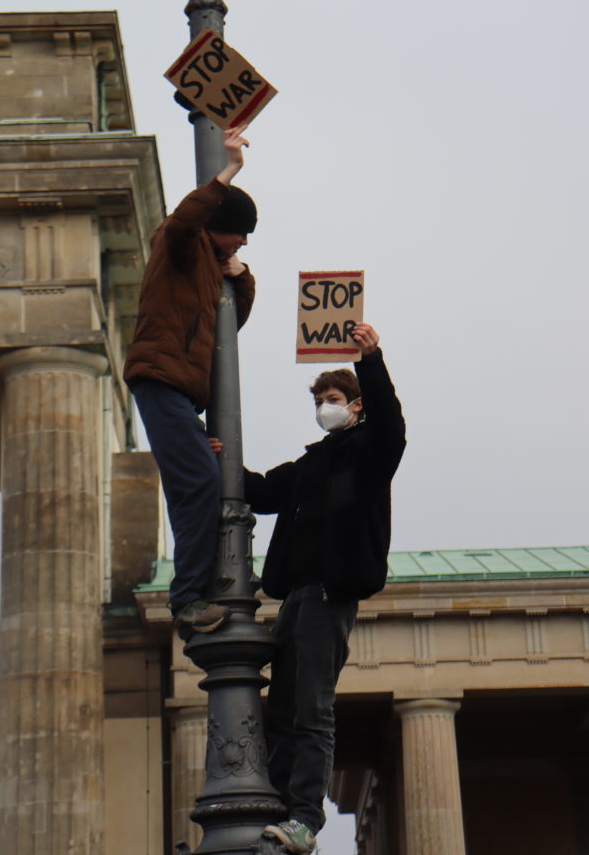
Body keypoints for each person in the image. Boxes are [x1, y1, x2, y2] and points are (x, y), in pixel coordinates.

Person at [242, 324, 406, 854]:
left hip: (330, 596)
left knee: (310, 709)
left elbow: (391, 427)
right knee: (284, 711)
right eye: (319, 400)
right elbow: (263, 491)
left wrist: (371, 359)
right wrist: (212, 452)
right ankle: (282, 807)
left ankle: (304, 820)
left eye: (333, 399)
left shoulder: (369, 453)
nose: (324, 407)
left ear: (356, 406)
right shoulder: (313, 463)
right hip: (296, 597)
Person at [124, 124, 256, 637]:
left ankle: (196, 591)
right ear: (218, 223)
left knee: (202, 474)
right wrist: (228, 171)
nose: (244, 241)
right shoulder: (179, 243)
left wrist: (241, 276)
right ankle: (188, 603)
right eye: (241, 230)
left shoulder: (210, 268)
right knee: (199, 484)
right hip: (161, 380)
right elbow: (184, 220)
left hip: (179, 392)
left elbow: (231, 326)